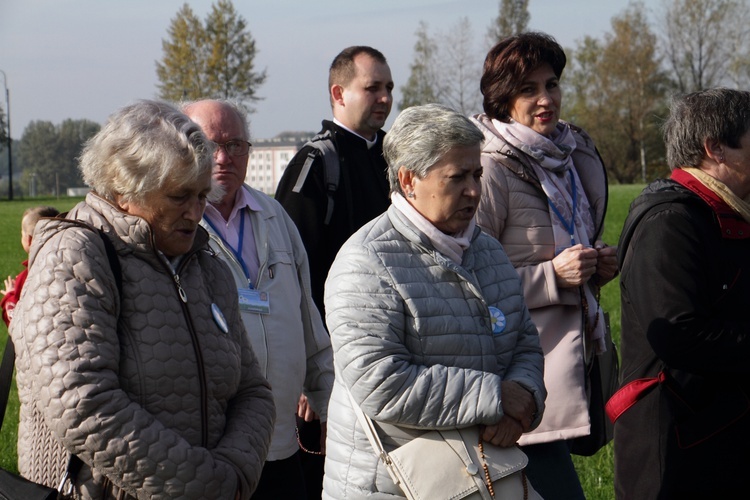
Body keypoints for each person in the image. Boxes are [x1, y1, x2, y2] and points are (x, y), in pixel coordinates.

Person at [9, 100, 275, 499]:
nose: (196, 212)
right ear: (123, 189)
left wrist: (237, 469)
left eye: (202, 196)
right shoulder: (76, 256)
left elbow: (253, 389)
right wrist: (205, 484)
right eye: (179, 196)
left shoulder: (205, 264)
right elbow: (82, 403)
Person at [322, 103, 546, 499]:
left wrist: (522, 399)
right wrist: (494, 397)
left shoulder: (488, 251)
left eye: (477, 173)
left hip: (483, 471)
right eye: (457, 177)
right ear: (409, 180)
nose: (474, 190)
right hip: (392, 485)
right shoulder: (367, 260)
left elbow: (524, 342)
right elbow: (380, 382)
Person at [471, 32, 618, 499]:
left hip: (570, 360)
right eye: (528, 89)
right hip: (513, 370)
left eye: (551, 84)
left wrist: (594, 268)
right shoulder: (488, 168)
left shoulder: (569, 156)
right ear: (503, 99)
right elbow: (467, 280)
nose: (545, 99)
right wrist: (552, 277)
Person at [183, 99, 335, 500]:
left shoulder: (274, 215)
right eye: (208, 144)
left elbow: (307, 317)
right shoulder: (175, 224)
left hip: (281, 440)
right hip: (211, 447)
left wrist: (328, 397)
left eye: (235, 145)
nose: (223, 157)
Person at [613, 88, 750, 498]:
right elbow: (679, 333)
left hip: (720, 435)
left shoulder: (721, 213)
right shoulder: (670, 221)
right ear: (716, 149)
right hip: (676, 447)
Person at [274, 45, 393, 497]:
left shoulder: (393, 158)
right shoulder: (316, 163)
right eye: (372, 88)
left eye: (388, 88)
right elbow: (288, 277)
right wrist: (309, 374)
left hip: (388, 350)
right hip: (331, 363)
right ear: (339, 94)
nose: (384, 98)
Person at [1, 205, 59, 326]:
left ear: (29, 240)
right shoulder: (69, 264)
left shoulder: (27, 277)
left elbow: (14, 320)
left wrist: (10, 296)